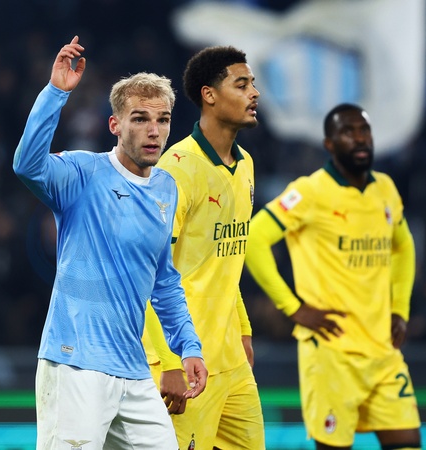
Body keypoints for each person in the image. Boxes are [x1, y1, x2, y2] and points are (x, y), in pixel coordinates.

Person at [12, 36, 208, 450]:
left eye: (163, 119)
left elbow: (164, 281)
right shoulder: (82, 173)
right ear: (115, 125)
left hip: (133, 369)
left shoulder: (166, 189)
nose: (154, 131)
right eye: (140, 119)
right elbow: (27, 165)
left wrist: (188, 347)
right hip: (75, 363)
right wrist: (56, 93)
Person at [245, 103, 421, 449]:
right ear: (329, 143)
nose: (359, 138)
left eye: (364, 130)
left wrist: (400, 309)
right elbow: (254, 239)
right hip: (331, 353)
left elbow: (404, 245)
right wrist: (293, 308)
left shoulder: (385, 188)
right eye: (348, 132)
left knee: (408, 441)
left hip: (383, 350)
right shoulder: (310, 191)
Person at [142, 45, 266, 449]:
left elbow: (226, 260)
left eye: (252, 84)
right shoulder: (176, 170)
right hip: (186, 361)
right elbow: (148, 271)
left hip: (231, 360)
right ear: (209, 95)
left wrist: (243, 329)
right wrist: (170, 362)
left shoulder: (245, 164)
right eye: (241, 84)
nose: (254, 93)